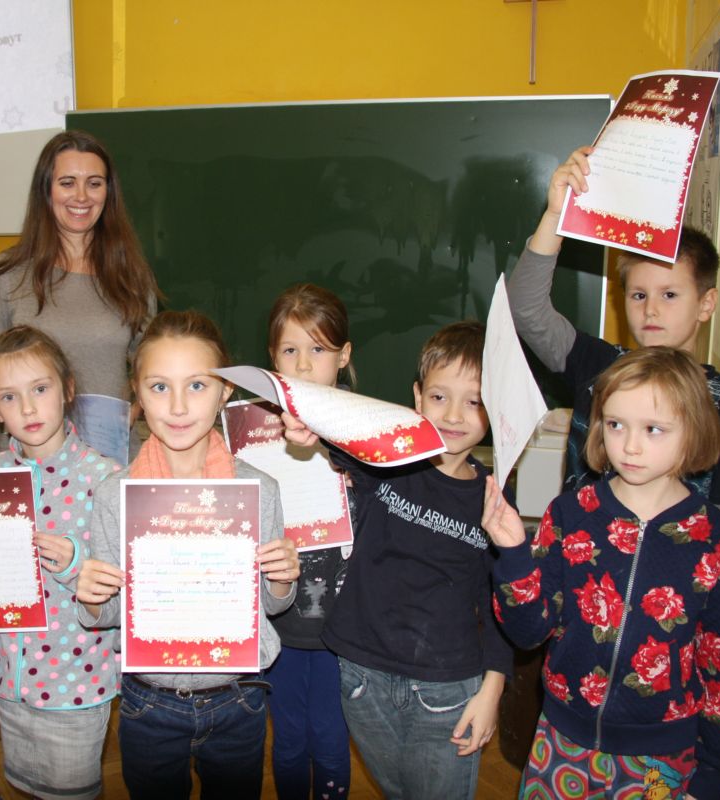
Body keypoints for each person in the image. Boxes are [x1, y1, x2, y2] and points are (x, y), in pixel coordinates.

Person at [481, 347, 720, 800]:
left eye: (653, 429)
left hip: (662, 758)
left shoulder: (717, 539)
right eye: (615, 424)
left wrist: (713, 773)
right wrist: (512, 553)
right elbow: (528, 633)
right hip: (562, 740)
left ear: (693, 430)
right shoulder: (570, 514)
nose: (629, 445)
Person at [76, 311, 300, 799]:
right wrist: (91, 598)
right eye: (159, 387)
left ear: (225, 393)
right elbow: (108, 614)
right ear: (137, 394)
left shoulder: (258, 490)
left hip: (237, 698)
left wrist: (282, 578)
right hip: (149, 702)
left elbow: (272, 605)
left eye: (197, 386)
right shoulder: (115, 495)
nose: (177, 406)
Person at [284, 321, 512, 800]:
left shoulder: (492, 502)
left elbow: (501, 607)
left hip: (446, 690)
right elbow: (336, 438)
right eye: (439, 396)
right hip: (363, 676)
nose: (454, 414)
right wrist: (311, 433)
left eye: (474, 401)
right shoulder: (386, 462)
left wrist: (491, 691)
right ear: (417, 396)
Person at [507, 146, 720, 534]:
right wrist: (556, 215)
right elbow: (525, 309)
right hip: (578, 560)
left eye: (669, 295)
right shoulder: (596, 364)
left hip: (669, 571)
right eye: (639, 295)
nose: (651, 309)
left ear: (706, 303)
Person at [0, 325, 120, 800]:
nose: (28, 408)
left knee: (71, 792)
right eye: (9, 397)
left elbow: (123, 583)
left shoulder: (105, 478)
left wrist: (75, 563)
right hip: (10, 678)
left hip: (76, 683)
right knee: (26, 786)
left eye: (40, 389)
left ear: (68, 389)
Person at [0, 130, 159, 411]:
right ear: (46, 190)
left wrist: (136, 408)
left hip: (108, 438)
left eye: (94, 183)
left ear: (108, 192)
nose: (81, 196)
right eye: (67, 183)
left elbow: (152, 365)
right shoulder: (10, 271)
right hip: (28, 438)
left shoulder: (132, 275)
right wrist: (8, 411)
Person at [263, 284, 354, 800]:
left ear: (344, 356)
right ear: (272, 358)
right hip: (280, 624)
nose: (302, 365)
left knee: (332, 737)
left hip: (344, 628)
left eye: (318, 349)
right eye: (289, 350)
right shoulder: (252, 432)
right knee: (290, 739)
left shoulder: (366, 434)